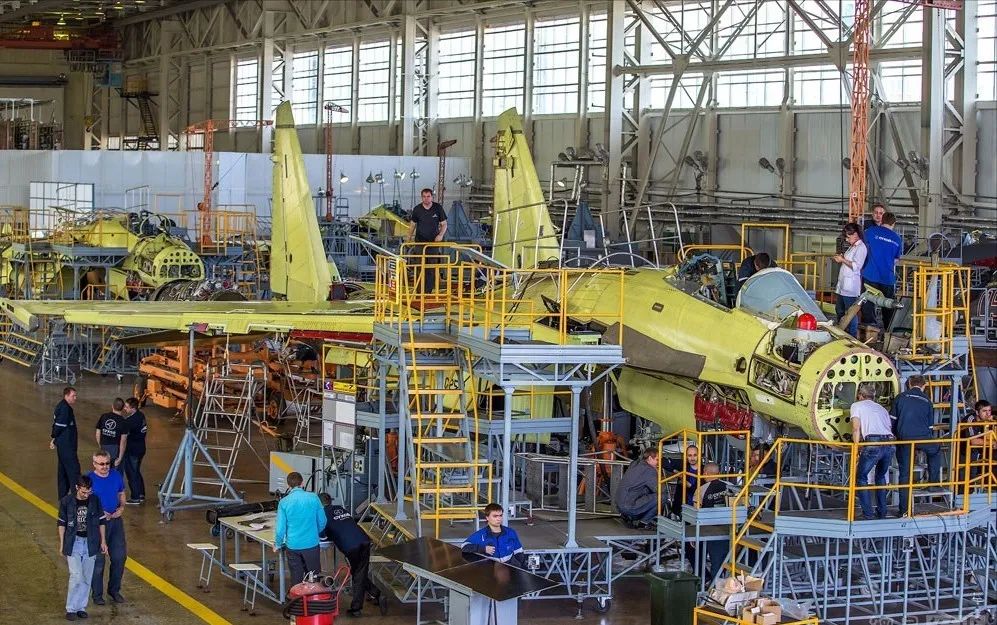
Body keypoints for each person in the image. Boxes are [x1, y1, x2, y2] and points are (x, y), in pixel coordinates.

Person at [318, 494, 385, 617]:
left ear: (319, 504)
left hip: (351, 546)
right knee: (359, 572)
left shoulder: (322, 514)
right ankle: (377, 594)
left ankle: (357, 609)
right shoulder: (340, 509)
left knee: (358, 574)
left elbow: (322, 536)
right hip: (364, 540)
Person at [58, 475, 107, 622]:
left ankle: (81, 607)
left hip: (91, 543)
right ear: (77, 488)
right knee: (76, 576)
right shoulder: (66, 501)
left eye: (89, 492)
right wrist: (62, 544)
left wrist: (103, 541)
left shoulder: (95, 500)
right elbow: (61, 523)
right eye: (83, 492)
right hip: (74, 543)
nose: (86, 495)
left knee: (86, 577)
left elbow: (101, 521)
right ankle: (71, 609)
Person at [892, 375, 940, 516]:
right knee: (935, 450)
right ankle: (933, 483)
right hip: (923, 438)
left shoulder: (900, 398)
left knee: (905, 474)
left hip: (904, 439)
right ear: (924, 386)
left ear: (909, 384)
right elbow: (930, 427)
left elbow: (892, 421)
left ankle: (904, 511)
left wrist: (896, 436)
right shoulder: (927, 401)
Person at [850, 383, 896, 520]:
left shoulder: (856, 406)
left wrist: (856, 448)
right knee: (880, 477)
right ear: (873, 396)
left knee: (861, 477)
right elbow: (889, 427)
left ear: (860, 395)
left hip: (873, 444)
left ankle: (868, 514)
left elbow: (856, 428)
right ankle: (882, 512)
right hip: (889, 444)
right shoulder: (882, 408)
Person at [274, 472, 326, 588]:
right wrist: (314, 532)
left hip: (293, 545)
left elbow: (280, 529)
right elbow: (322, 521)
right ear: (302, 483)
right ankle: (313, 597)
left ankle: (298, 598)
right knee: (314, 577)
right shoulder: (314, 498)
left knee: (296, 578)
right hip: (311, 544)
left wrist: (277, 544)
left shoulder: (283, 502)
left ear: (288, 486)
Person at [88, 450, 127, 605]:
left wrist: (121, 508)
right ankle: (97, 595)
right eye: (101, 464)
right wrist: (100, 513)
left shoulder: (116, 475)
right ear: (94, 464)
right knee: (99, 561)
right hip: (97, 525)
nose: (105, 467)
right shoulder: (89, 480)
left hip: (115, 522)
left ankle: (114, 590)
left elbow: (121, 493)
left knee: (119, 557)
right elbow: (84, 501)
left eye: (107, 463)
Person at [861, 211, 903, 330]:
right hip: (887, 278)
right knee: (889, 306)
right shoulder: (897, 239)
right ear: (893, 224)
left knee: (868, 304)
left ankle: (870, 330)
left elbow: (861, 247)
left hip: (870, 275)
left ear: (882, 220)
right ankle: (888, 332)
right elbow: (896, 259)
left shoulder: (870, 231)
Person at [693, 463, 731, 583]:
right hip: (732, 528)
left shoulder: (701, 489)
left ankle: (715, 588)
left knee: (716, 563)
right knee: (731, 562)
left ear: (705, 473)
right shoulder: (731, 487)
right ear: (719, 473)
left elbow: (696, 512)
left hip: (711, 530)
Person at [407, 188, 448, 293]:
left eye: (428, 196)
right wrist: (408, 238)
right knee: (420, 267)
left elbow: (444, 224)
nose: (426, 198)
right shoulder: (417, 209)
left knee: (431, 268)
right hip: (420, 243)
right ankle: (419, 291)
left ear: (432, 197)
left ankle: (428, 291)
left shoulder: (438, 208)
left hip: (433, 243)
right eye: (424, 197)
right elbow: (412, 225)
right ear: (421, 197)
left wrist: (440, 235)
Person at [460, 503, 526, 568]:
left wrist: (521, 569)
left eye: (500, 515)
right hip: (490, 569)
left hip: (510, 568)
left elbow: (519, 551)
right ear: (487, 517)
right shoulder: (481, 535)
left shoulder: (510, 532)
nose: (499, 519)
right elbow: (464, 546)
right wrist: (483, 549)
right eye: (495, 516)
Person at [834, 223, 867, 338]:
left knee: (851, 313)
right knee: (839, 310)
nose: (847, 239)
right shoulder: (852, 246)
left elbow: (856, 266)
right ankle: (841, 332)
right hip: (843, 285)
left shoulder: (861, 248)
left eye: (848, 237)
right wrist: (842, 258)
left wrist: (842, 260)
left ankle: (851, 336)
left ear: (856, 234)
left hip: (850, 287)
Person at [615, 448, 664, 524]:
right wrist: (657, 472)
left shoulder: (635, 463)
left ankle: (630, 516)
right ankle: (644, 522)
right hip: (628, 506)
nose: (659, 463)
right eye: (657, 460)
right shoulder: (649, 470)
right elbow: (658, 489)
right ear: (650, 458)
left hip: (619, 504)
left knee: (646, 490)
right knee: (663, 497)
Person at [51, 387, 81, 499]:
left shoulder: (64, 406)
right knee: (74, 471)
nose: (75, 398)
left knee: (63, 471)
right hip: (67, 446)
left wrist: (55, 439)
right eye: (73, 396)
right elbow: (59, 426)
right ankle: (76, 497)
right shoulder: (65, 409)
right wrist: (54, 437)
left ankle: (63, 497)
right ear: (66, 396)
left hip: (63, 445)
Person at [122, 397, 147, 505]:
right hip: (141, 448)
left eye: (127, 407)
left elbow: (124, 435)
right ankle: (141, 493)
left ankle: (135, 497)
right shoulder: (141, 416)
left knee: (131, 473)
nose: (125, 409)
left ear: (133, 408)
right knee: (136, 471)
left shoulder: (130, 421)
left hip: (132, 450)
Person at [94, 398, 129, 471]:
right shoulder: (124, 422)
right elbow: (123, 441)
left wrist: (100, 445)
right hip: (115, 450)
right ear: (123, 408)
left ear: (112, 406)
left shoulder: (104, 416)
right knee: (115, 472)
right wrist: (120, 458)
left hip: (104, 446)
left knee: (103, 470)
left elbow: (98, 433)